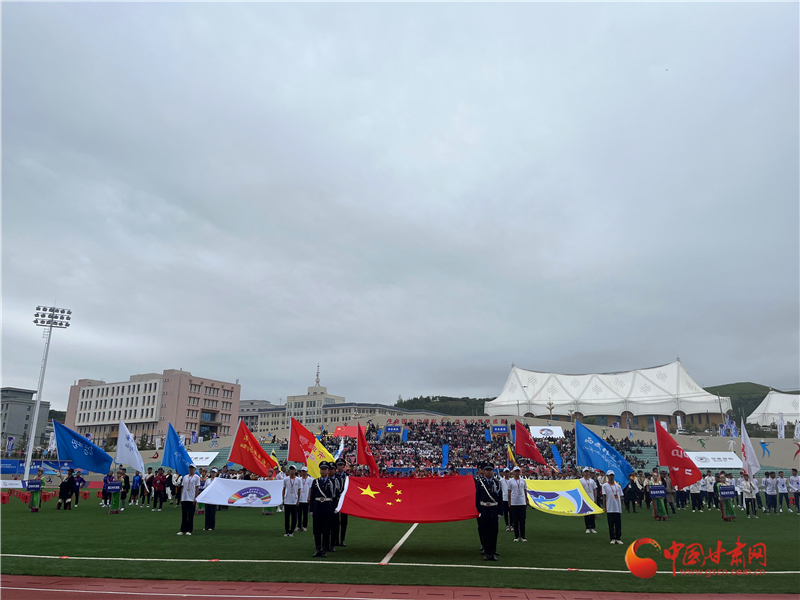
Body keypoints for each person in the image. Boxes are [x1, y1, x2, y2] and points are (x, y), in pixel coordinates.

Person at [475, 462, 501, 561]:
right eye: (487, 470)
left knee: (494, 533)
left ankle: (493, 553)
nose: (489, 472)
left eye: (490, 470)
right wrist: (479, 510)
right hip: (484, 509)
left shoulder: (497, 482)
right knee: (485, 532)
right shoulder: (480, 482)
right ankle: (487, 552)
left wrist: (500, 512)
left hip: (494, 510)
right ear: (484, 471)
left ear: (493, 471)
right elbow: (477, 497)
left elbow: (500, 498)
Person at [310, 462, 336, 557]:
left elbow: (334, 496)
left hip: (327, 508)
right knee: (316, 530)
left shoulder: (332, 482)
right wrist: (311, 509)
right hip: (317, 508)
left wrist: (334, 509)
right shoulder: (315, 482)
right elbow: (312, 497)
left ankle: (324, 549)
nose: (323, 471)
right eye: (322, 469)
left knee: (326, 530)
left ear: (328, 471)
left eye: (325, 469)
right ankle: (318, 549)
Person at [177, 465, 200, 536]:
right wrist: (181, 497)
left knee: (190, 515)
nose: (191, 469)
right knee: (184, 515)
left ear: (195, 469)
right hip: (185, 498)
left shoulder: (197, 477)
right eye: (190, 468)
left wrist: (195, 498)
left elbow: (197, 488)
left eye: (192, 468)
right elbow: (183, 487)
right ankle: (183, 530)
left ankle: (189, 530)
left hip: (191, 498)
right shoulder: (185, 477)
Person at [602, 470, 623, 545]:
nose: (611, 477)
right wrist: (604, 507)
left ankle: (618, 537)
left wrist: (621, 506)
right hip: (610, 507)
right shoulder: (604, 486)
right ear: (607, 476)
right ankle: (612, 538)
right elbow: (604, 497)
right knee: (611, 524)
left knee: (618, 524)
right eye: (610, 475)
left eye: (612, 475)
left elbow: (621, 496)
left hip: (617, 508)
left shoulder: (618, 486)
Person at [508, 466, 527, 542]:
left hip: (522, 502)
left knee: (522, 520)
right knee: (515, 521)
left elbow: (525, 490)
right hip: (514, 503)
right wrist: (509, 502)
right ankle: (516, 536)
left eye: (518, 471)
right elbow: (509, 492)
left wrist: (526, 500)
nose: (517, 473)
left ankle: (523, 536)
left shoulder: (523, 481)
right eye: (516, 471)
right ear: (513, 472)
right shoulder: (511, 481)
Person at [282, 466, 301, 537]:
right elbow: (284, 489)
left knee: (294, 517)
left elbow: (299, 490)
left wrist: (298, 500)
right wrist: (283, 499)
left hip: (294, 500)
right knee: (287, 517)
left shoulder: (298, 480)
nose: (292, 471)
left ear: (295, 471)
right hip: (287, 500)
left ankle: (291, 531)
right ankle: (287, 531)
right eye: (290, 469)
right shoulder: (286, 479)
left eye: (293, 469)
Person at [579, 468, 598, 532]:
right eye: (585, 472)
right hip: (585, 499)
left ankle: (592, 527)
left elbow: (595, 490)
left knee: (592, 514)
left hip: (591, 498)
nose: (586, 473)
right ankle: (587, 527)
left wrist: (595, 499)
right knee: (586, 514)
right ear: (583, 473)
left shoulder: (592, 481)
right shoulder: (580, 481)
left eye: (587, 472)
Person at [298, 466, 312, 532]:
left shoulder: (310, 480)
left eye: (305, 471)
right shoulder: (299, 479)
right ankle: (299, 526)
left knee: (305, 514)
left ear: (307, 472)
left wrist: (309, 497)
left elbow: (310, 489)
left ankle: (304, 526)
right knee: (299, 514)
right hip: (300, 499)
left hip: (306, 499)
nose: (304, 473)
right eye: (303, 471)